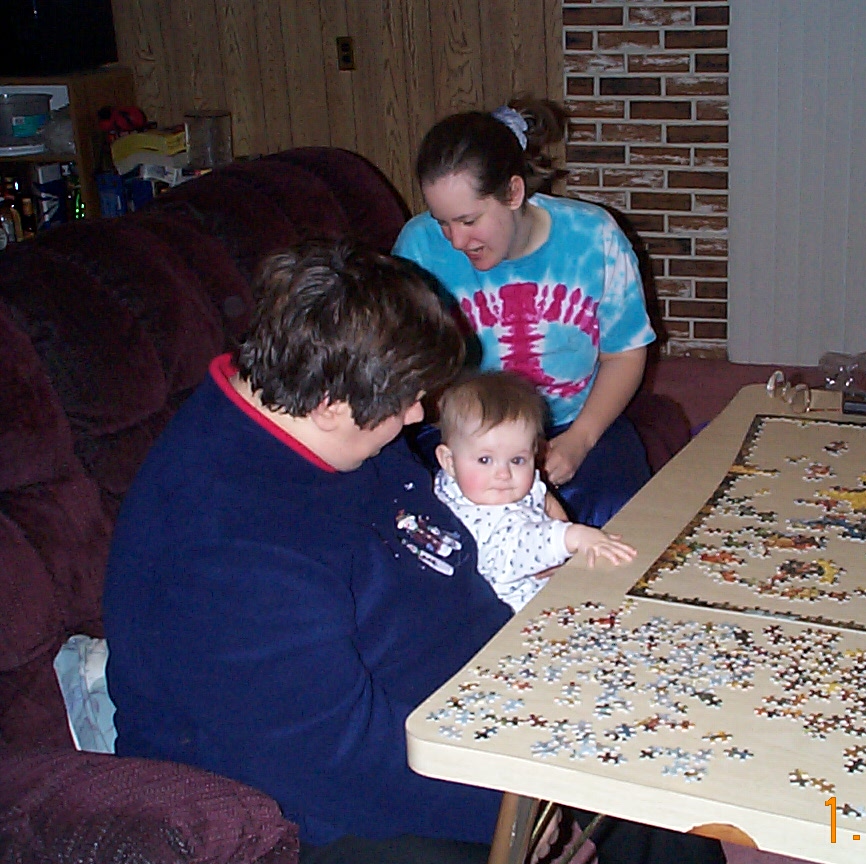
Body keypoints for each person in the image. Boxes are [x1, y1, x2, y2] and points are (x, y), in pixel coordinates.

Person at [102, 238, 724, 864]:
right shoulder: (225, 547)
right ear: (331, 406)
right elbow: (336, 762)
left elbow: (433, 533)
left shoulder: (326, 414)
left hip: (457, 702)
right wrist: (514, 811)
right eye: (404, 404)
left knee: (659, 774)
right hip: (329, 806)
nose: (415, 415)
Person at [394, 96, 655, 529]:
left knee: (622, 520)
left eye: (469, 220)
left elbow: (623, 354)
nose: (455, 241)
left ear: (514, 192)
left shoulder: (595, 237)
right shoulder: (418, 247)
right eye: (443, 222)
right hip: (458, 435)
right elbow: (403, 366)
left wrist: (580, 440)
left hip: (572, 422)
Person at [434, 371, 637, 611]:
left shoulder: (483, 484)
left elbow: (540, 495)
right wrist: (572, 536)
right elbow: (517, 546)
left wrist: (555, 512)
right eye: (485, 460)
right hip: (510, 614)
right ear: (449, 461)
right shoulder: (473, 513)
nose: (504, 473)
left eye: (517, 460)